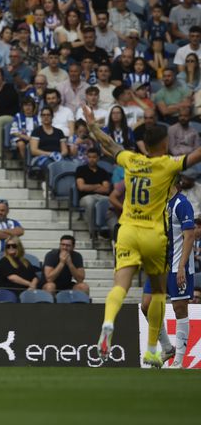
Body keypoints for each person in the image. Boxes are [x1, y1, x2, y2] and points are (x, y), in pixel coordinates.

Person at [83, 107, 201, 366]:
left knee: (120, 286)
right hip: (153, 236)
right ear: (164, 144)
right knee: (158, 294)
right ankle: (151, 349)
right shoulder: (167, 164)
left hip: (127, 231)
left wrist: (92, 126)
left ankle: (108, 322)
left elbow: (110, 145)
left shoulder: (130, 159)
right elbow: (194, 156)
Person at [140, 179, 195, 368]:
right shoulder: (159, 204)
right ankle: (167, 348)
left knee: (180, 309)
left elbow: (189, 236)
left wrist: (181, 266)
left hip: (178, 265)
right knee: (146, 306)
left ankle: (179, 360)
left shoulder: (182, 203)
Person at [75, 148, 112, 240]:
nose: (92, 159)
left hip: (101, 197)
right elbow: (81, 187)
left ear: (98, 158)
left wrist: (90, 187)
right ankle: (93, 231)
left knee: (109, 201)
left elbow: (106, 189)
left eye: (94, 157)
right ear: (86, 158)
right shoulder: (80, 170)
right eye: (89, 157)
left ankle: (106, 231)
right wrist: (97, 186)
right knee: (90, 203)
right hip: (85, 197)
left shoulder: (103, 172)